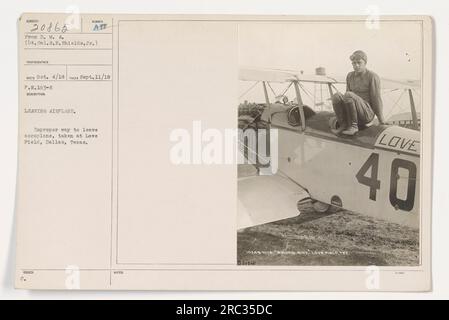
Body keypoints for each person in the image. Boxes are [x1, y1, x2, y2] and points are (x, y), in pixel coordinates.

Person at [331, 50, 385, 136]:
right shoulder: (350, 76)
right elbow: (346, 99)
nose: (356, 65)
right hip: (354, 113)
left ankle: (354, 127)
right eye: (354, 63)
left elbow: (376, 99)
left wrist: (381, 120)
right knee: (336, 96)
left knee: (349, 94)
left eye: (359, 62)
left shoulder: (372, 76)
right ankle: (343, 124)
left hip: (367, 114)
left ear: (365, 63)